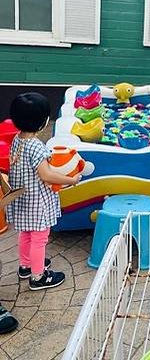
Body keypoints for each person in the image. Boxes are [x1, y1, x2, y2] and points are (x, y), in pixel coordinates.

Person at [7, 93, 81, 290]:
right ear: (43, 122)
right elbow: (47, 176)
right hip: (36, 202)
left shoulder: (17, 140)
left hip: (22, 198)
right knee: (39, 238)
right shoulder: (37, 147)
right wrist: (70, 179)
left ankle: (25, 265)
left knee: (26, 233)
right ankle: (38, 276)